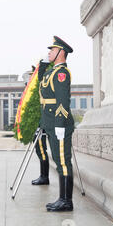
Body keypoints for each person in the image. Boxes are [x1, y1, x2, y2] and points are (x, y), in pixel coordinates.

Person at [37, 36, 75, 212]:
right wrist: (44, 62)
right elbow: (41, 82)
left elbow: (62, 101)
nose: (49, 52)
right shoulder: (52, 72)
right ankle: (62, 198)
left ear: (61, 53)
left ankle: (66, 201)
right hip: (50, 122)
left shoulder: (62, 73)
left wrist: (60, 124)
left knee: (63, 161)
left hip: (59, 123)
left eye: (52, 50)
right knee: (59, 161)